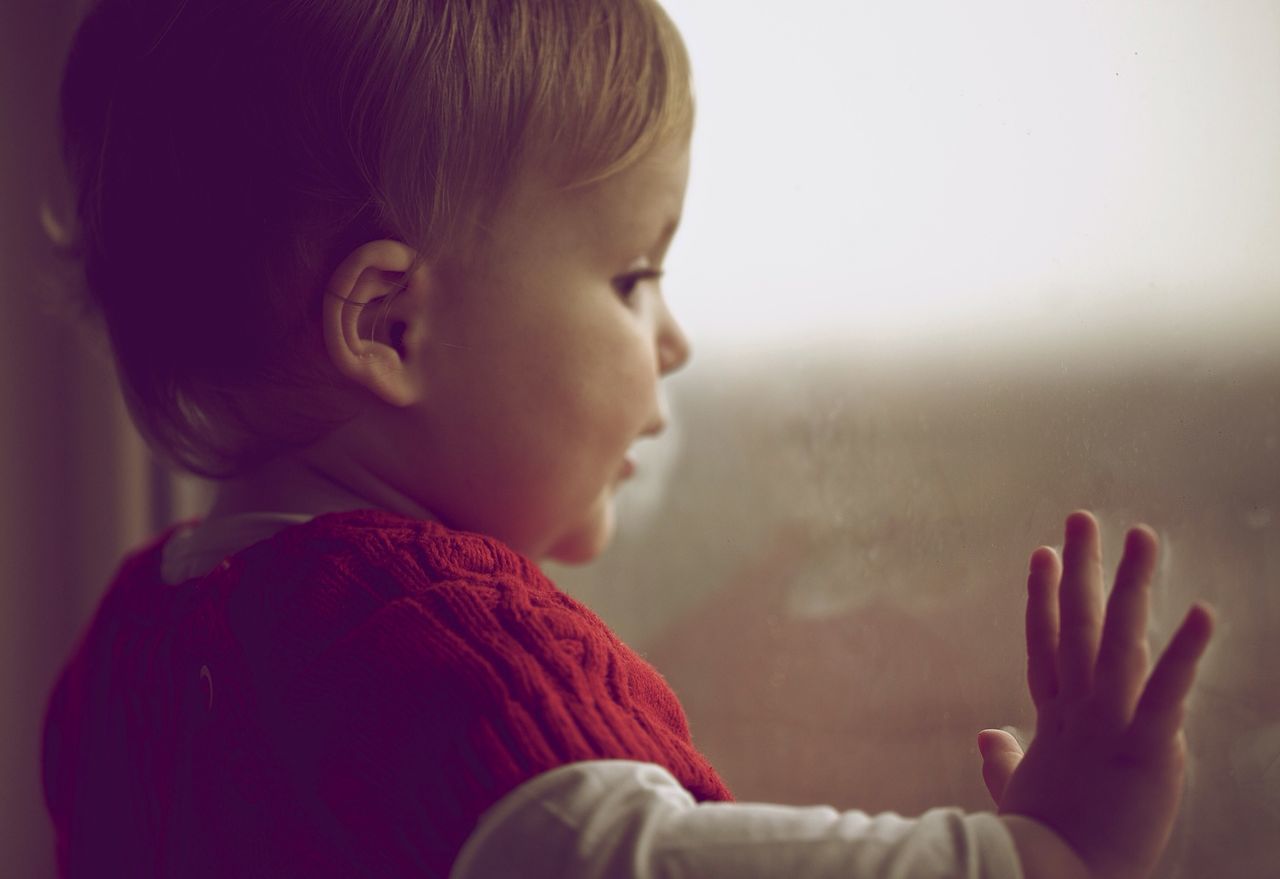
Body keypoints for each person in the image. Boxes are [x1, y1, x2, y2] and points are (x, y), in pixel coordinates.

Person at [40, 0, 1215, 876]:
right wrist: (1036, 853)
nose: (674, 340)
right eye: (632, 275)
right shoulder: (436, 648)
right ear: (391, 325)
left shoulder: (124, 657)